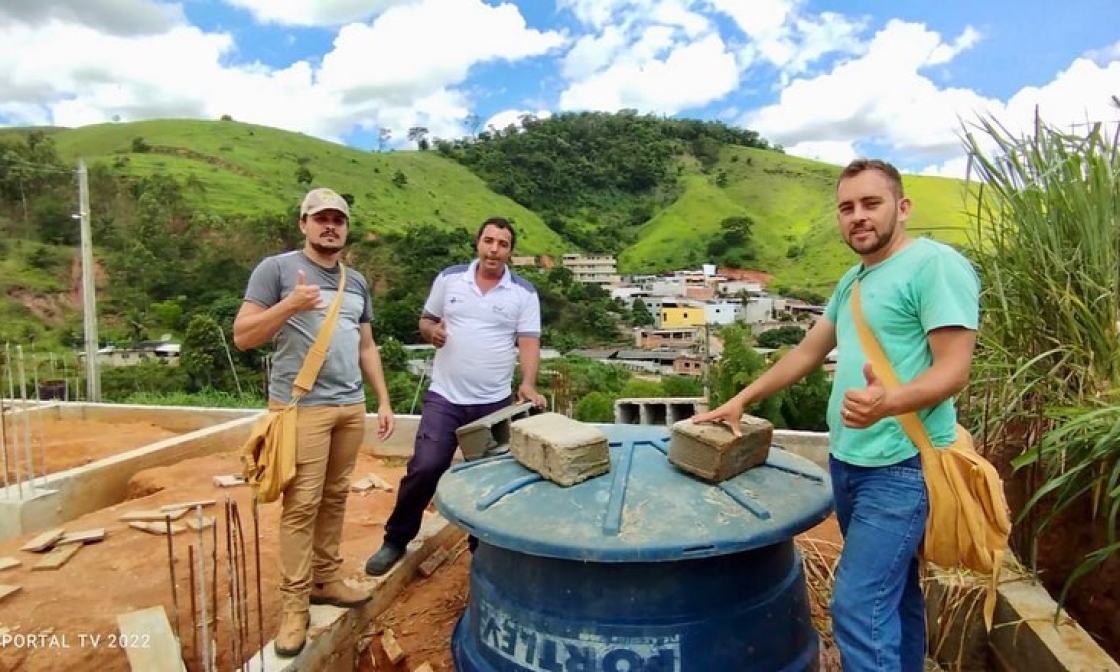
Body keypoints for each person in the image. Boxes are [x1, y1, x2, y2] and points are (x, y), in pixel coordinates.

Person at [692, 159, 979, 671]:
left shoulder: (934, 265)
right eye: (847, 208)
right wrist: (743, 398)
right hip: (849, 463)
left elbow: (954, 370)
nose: (857, 216)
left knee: (857, 604)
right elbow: (806, 353)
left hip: (904, 465)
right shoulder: (853, 281)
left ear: (903, 208)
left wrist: (888, 402)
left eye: (871, 203)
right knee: (897, 596)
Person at [233, 187, 395, 658]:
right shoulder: (277, 270)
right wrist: (290, 306)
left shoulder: (356, 281)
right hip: (302, 406)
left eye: (338, 220)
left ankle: (326, 579)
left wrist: (382, 399)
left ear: (346, 229)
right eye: (320, 218)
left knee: (336, 495)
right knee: (301, 505)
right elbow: (244, 336)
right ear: (303, 223)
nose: (330, 226)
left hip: (349, 406)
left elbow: (367, 346)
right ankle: (295, 606)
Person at [365, 217, 547, 576]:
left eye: (503, 244)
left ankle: (482, 552)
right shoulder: (449, 279)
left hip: (493, 405)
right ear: (478, 243)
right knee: (426, 467)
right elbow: (426, 320)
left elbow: (528, 342)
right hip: (445, 397)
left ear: (511, 251)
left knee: (487, 479)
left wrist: (527, 383)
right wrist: (431, 331)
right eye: (489, 241)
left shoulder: (523, 293)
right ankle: (396, 539)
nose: (494, 249)